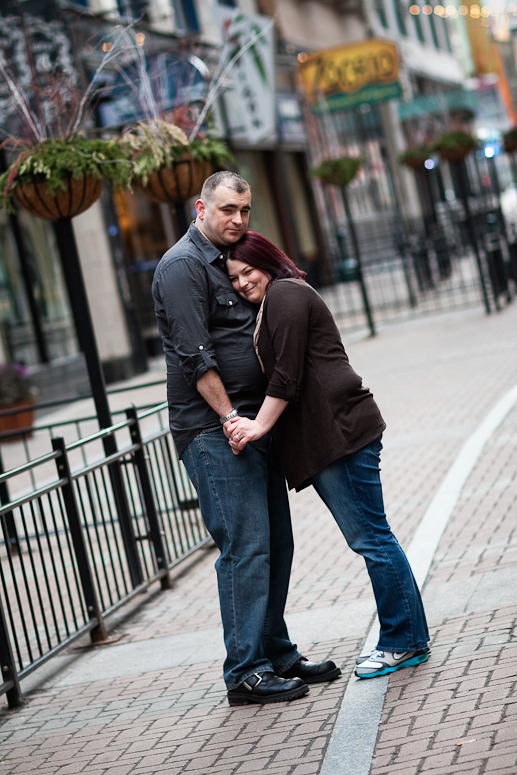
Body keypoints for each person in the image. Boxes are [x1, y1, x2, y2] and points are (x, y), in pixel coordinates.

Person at [151, 172, 340, 706]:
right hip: (215, 430)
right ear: (201, 207)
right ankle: (246, 672)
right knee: (245, 548)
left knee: (275, 542)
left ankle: (276, 651)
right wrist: (232, 418)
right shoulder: (183, 267)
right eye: (228, 210)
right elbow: (195, 356)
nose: (238, 220)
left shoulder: (230, 261)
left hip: (252, 426)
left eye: (245, 211)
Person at [226, 230, 430, 680]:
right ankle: (411, 639)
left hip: (340, 434)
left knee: (372, 539)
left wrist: (259, 425)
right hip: (332, 437)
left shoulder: (284, 294)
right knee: (375, 537)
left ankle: (401, 642)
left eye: (247, 271)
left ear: (266, 261)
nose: (242, 283)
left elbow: (288, 375)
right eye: (234, 278)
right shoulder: (277, 298)